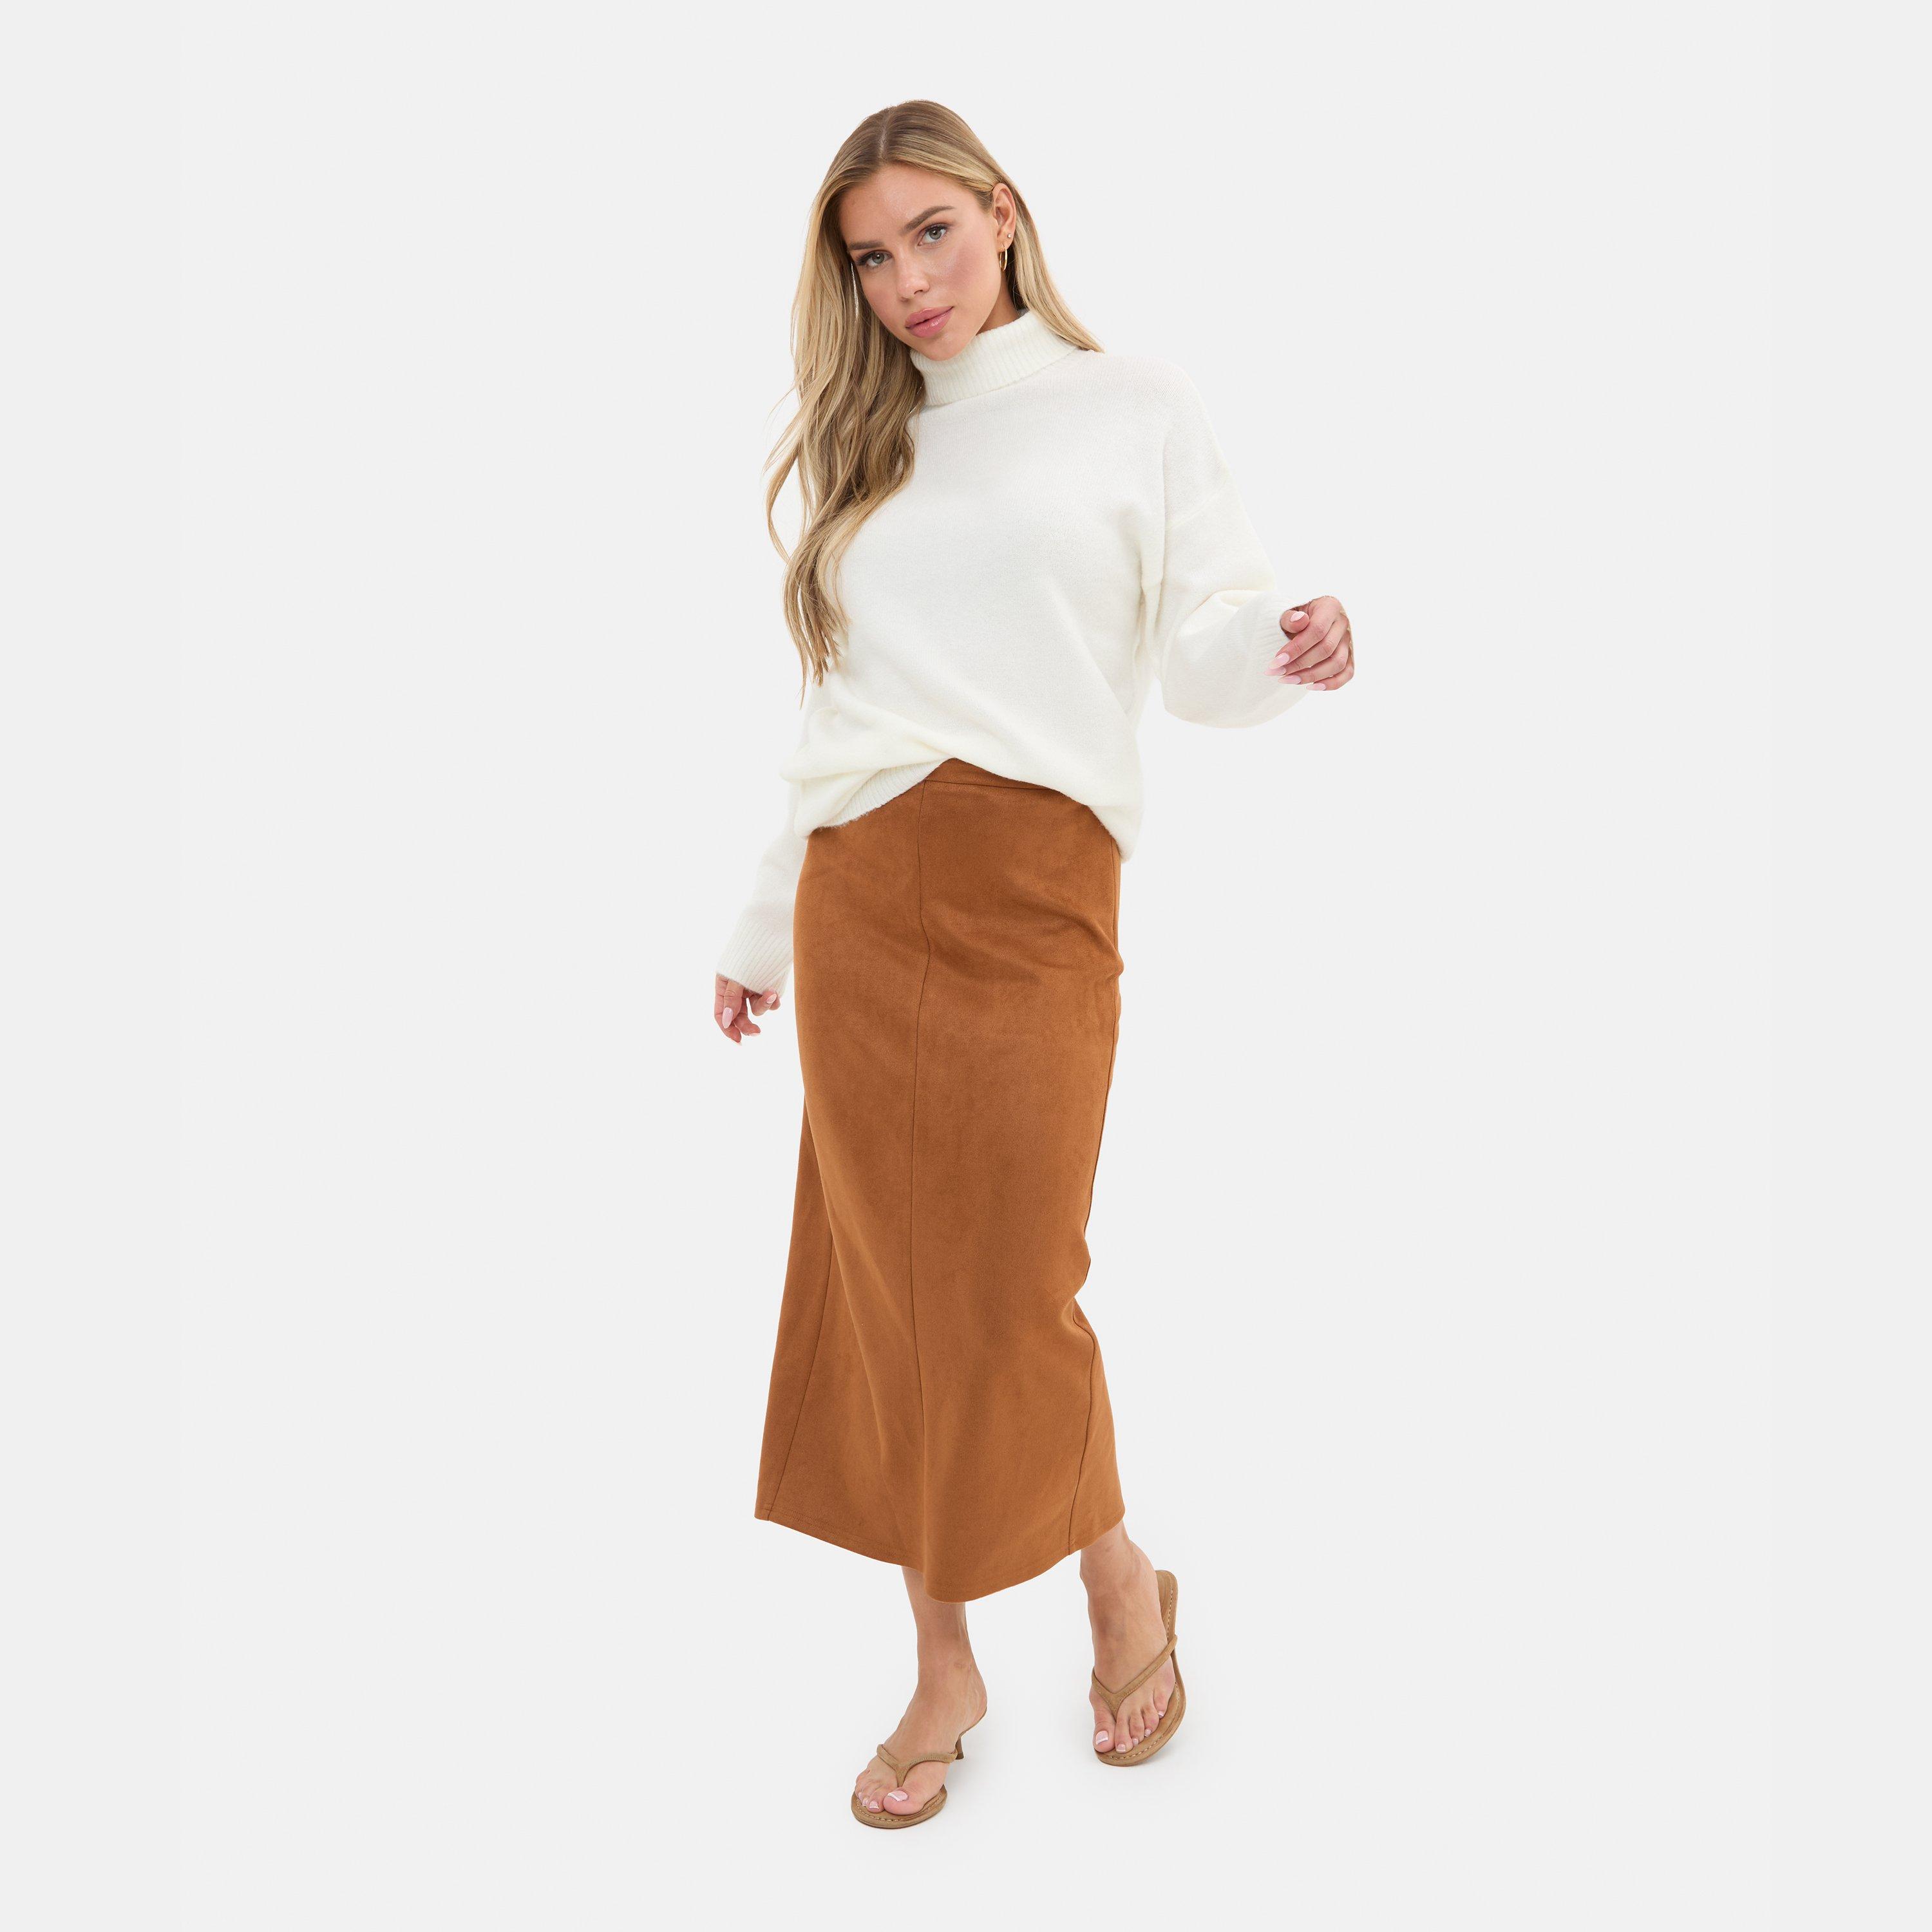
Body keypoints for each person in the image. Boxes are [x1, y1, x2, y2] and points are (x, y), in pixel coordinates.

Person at [712, 99, 1355, 1828]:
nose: (906, 281)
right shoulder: (868, 444)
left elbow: (1202, 642)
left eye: (930, 232)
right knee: (882, 1285)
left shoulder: (1130, 406)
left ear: (1002, 213)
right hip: (860, 893)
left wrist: (1284, 644)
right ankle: (944, 1663)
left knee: (1008, 1283)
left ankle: (1117, 1576)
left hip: (1037, 886)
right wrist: (764, 923)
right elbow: (835, 712)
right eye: (870, 257)